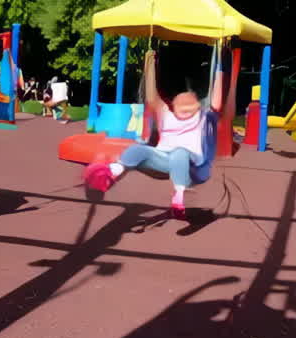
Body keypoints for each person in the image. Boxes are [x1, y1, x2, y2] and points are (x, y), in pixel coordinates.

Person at [83, 50, 223, 217]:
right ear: (174, 103)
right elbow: (152, 96)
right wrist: (150, 65)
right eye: (181, 103)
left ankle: (179, 196)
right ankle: (110, 174)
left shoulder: (203, 117)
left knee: (180, 153)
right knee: (137, 150)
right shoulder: (166, 114)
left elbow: (216, 104)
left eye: (191, 104)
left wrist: (220, 70)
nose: (186, 107)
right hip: (165, 161)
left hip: (194, 169)